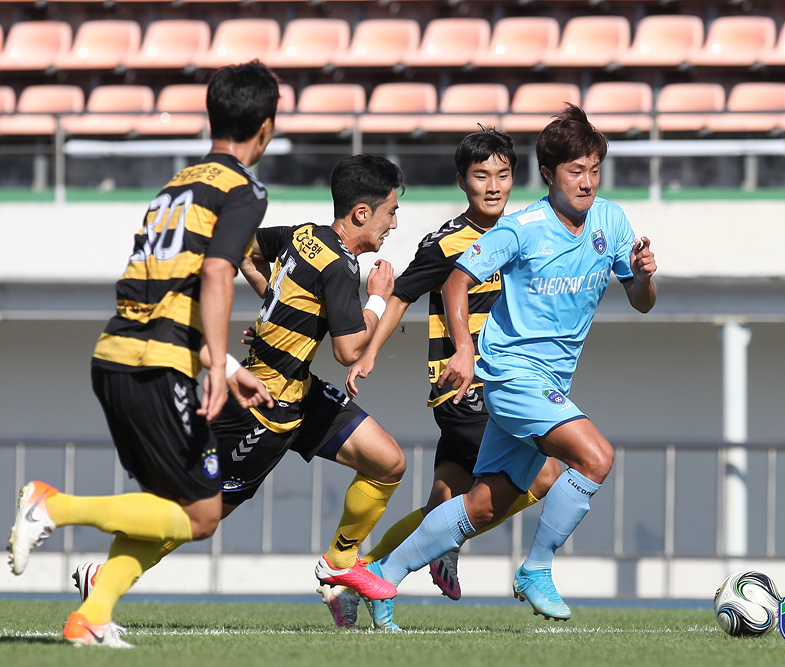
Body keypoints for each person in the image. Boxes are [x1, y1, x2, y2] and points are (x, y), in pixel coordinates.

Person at [7, 61, 280, 648]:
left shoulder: (174, 186)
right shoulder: (243, 188)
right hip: (156, 367)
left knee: (163, 504)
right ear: (266, 126)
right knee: (202, 515)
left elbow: (167, 289)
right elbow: (217, 272)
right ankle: (54, 506)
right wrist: (216, 362)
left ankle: (90, 616)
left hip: (116, 355)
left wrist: (226, 365)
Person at [71, 154, 410, 623]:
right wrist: (378, 297)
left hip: (301, 392)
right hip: (263, 408)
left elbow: (248, 253)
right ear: (361, 212)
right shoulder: (340, 266)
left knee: (387, 462)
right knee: (201, 512)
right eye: (391, 211)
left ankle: (338, 563)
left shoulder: (303, 234)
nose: (394, 223)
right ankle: (102, 574)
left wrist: (277, 315)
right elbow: (349, 350)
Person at [361, 105, 657, 630]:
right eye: (575, 171)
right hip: (510, 375)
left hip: (550, 381)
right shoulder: (521, 229)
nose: (587, 182)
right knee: (595, 457)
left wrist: (643, 276)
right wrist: (463, 349)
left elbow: (641, 302)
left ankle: (383, 574)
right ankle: (536, 569)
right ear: (548, 174)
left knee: (482, 505)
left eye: (594, 170)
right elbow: (456, 281)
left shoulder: (611, 221)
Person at [327, 129, 560, 627]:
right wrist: (369, 354)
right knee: (546, 475)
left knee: (445, 502)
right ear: (462, 181)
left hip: (502, 384)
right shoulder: (447, 241)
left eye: (502, 175)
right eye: (481, 176)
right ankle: (443, 545)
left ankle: (358, 579)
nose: (493, 186)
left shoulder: (521, 232)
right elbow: (401, 295)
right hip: (465, 390)